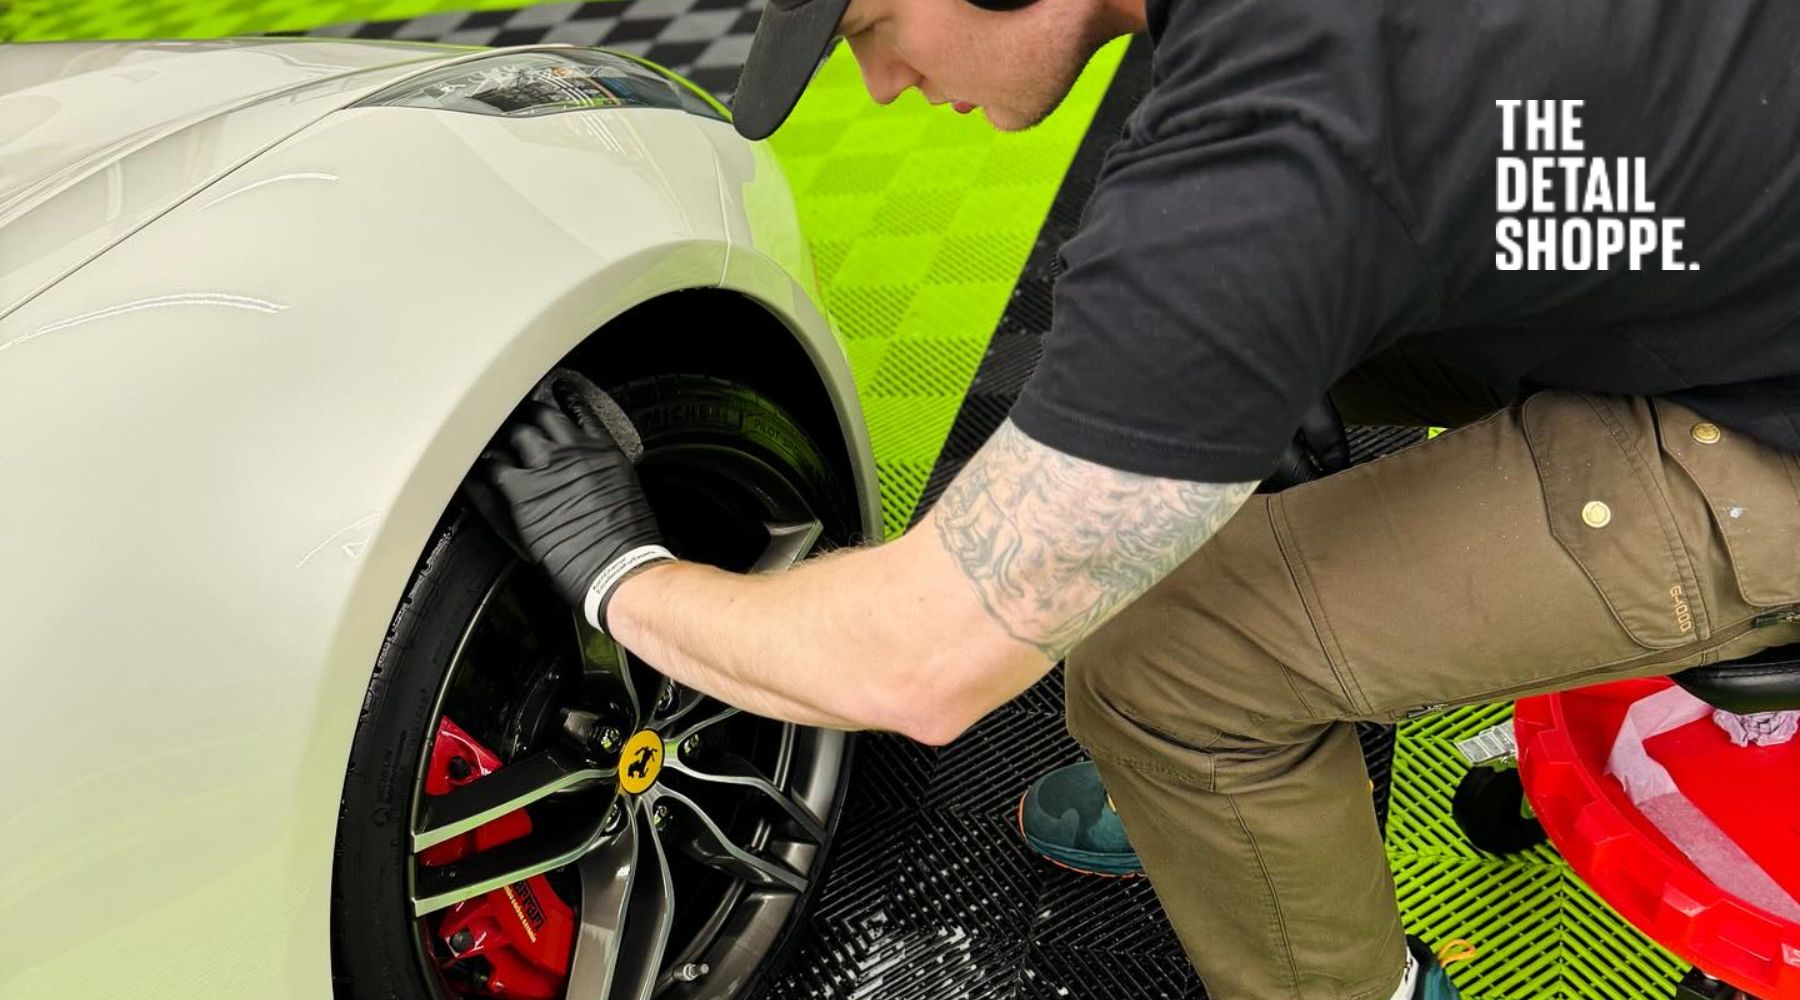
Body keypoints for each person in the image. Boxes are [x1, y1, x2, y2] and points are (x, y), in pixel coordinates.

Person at [474, 0, 1800, 997]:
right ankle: (1220, 801)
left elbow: (920, 664)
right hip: (1723, 235)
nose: (877, 82)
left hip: (1770, 426)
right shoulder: (1277, 95)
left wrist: (617, 575)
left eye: (874, 22)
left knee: (1163, 670)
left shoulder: (1279, 149)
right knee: (1164, 361)